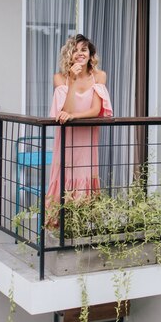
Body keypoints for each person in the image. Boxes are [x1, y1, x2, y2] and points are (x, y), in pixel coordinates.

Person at [46, 34, 112, 226]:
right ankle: (60, 227)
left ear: (90, 54)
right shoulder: (59, 78)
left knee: (84, 175)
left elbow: (95, 110)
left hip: (87, 138)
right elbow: (65, 110)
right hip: (67, 138)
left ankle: (81, 225)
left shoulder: (99, 76)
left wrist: (74, 117)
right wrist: (73, 81)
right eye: (75, 50)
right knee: (64, 175)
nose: (79, 53)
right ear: (70, 54)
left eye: (83, 49)